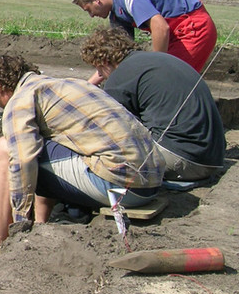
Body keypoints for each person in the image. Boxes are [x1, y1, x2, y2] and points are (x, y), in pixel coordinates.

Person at [0, 54, 165, 269]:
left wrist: (20, 223)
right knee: (38, 144)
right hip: (150, 182)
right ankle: (41, 225)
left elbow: (23, 160)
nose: (0, 105)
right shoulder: (65, 86)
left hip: (122, 186)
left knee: (5, 147)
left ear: (1, 88)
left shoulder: (20, 99)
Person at [80, 27, 225, 182]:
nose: (100, 75)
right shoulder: (158, 60)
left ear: (105, 61)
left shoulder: (120, 77)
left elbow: (111, 130)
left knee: (97, 157)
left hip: (185, 160)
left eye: (98, 68)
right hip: (214, 157)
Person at [73, 0, 217, 84]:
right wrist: (89, 86)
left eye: (88, 10)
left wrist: (155, 68)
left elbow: (160, 27)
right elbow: (117, 56)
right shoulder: (117, 16)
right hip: (176, 34)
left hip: (193, 28)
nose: (91, 16)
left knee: (165, 81)